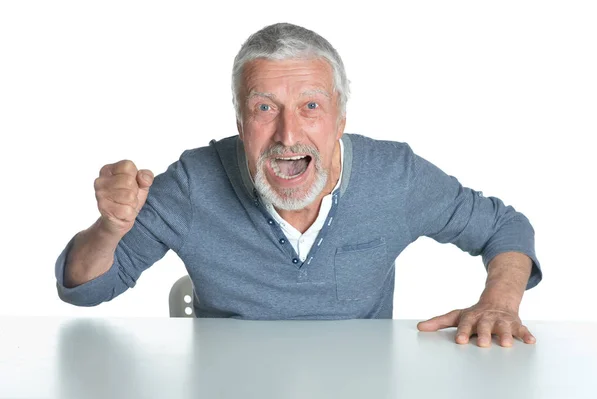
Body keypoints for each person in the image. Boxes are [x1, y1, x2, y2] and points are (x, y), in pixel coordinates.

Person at [55, 22, 542, 348]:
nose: (288, 135)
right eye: (265, 108)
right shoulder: (191, 183)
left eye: (310, 106)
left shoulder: (396, 176)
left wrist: (499, 302)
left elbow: (504, 227)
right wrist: (109, 228)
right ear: (241, 124)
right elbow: (84, 290)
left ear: (340, 119)